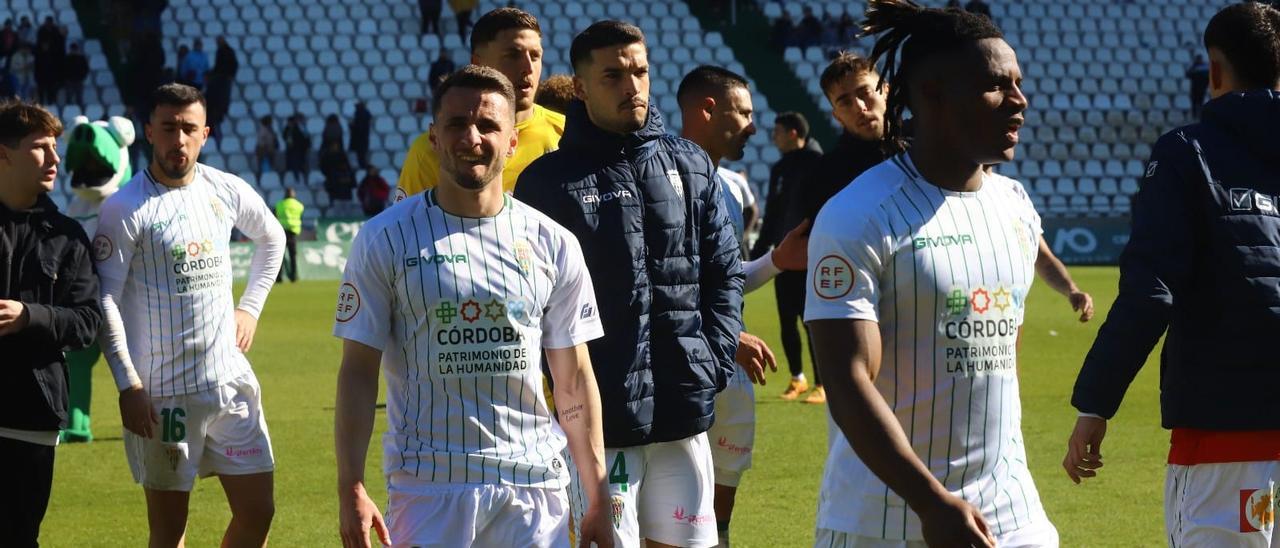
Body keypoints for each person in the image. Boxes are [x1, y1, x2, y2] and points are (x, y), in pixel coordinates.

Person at [806, 1, 1058, 547]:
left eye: (1018, 83)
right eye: (995, 86)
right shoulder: (858, 215)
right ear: (933, 96)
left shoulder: (1015, 205)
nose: (1019, 102)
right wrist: (929, 501)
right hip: (888, 519)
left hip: (1013, 514)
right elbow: (848, 378)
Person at [333, 65, 613, 548]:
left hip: (533, 488)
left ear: (511, 142)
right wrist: (351, 487)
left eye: (488, 126)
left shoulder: (553, 243)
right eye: (457, 124)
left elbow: (573, 379)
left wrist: (597, 494)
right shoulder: (384, 238)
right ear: (434, 138)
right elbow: (358, 372)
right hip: (428, 487)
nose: (472, 137)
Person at [514, 21, 745, 548]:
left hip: (685, 413)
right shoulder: (547, 182)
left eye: (639, 72)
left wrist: (712, 359)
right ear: (579, 87)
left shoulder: (690, 165)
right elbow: (529, 301)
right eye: (613, 75)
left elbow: (724, 271)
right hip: (601, 427)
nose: (631, 86)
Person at [1064, 3, 1280, 546]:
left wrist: (1095, 402)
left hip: (1227, 442)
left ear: (1213, 69)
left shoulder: (1188, 153)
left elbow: (1151, 294)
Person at [94, 83, 285, 546]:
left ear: (206, 134)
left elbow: (272, 238)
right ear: (148, 133)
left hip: (230, 385)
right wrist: (129, 385)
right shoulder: (124, 209)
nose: (178, 139)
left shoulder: (224, 187)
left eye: (188, 129)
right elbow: (106, 301)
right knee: (169, 531)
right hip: (165, 399)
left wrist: (250, 308)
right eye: (168, 128)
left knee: (259, 511)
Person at [679, 64, 822, 548]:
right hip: (682, 368)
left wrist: (776, 262)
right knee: (675, 510)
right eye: (743, 112)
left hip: (731, 369)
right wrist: (723, 335)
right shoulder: (660, 180)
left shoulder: (730, 186)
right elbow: (655, 285)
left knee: (722, 511)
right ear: (707, 110)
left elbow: (721, 282)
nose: (753, 125)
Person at [0, 99, 102, 548]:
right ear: (4, 154)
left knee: (20, 537)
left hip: (30, 413)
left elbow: (87, 321)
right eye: (41, 147)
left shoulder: (67, 237)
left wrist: (29, 317)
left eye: (56, 147)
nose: (55, 158)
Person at [400, 8, 563, 199]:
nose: (528, 68)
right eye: (513, 55)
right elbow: (406, 225)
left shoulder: (565, 133)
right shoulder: (431, 151)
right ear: (477, 63)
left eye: (535, 56)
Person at [750, 111, 825, 403]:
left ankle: (822, 383)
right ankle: (797, 378)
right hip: (783, 256)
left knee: (811, 321)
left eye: (777, 132)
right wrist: (757, 256)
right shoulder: (779, 168)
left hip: (809, 256)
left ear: (793, 133)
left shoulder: (818, 164)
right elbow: (772, 215)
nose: (773, 138)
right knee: (786, 321)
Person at [274, 187, 303, 283]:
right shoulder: (299, 205)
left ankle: (279, 277)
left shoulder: (279, 204)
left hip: (281, 232)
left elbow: (275, 216)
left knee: (280, 256)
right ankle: (293, 276)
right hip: (293, 232)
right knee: (293, 256)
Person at [283, 114, 310, 186]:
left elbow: (305, 139)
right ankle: (295, 180)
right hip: (292, 152)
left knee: (301, 166)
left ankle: (301, 180)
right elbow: (286, 138)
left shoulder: (300, 128)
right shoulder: (289, 129)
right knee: (293, 167)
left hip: (300, 151)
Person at [63, 42, 89, 107]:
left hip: (79, 81)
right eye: (73, 49)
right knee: (68, 99)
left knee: (79, 99)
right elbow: (63, 70)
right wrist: (66, 78)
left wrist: (82, 77)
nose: (74, 51)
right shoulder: (67, 59)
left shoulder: (81, 59)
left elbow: (85, 69)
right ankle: (69, 112)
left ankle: (80, 113)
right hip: (69, 81)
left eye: (75, 49)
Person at [1186, 53, 1210, 118]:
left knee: (1199, 102)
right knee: (1195, 102)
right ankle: (1195, 115)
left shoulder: (1203, 68)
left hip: (1201, 88)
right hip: (1195, 88)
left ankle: (1199, 115)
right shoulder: (1194, 67)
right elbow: (1188, 75)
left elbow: (1208, 78)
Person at [254, 115, 277, 180]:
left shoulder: (270, 129)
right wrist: (266, 147)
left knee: (269, 165)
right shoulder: (263, 130)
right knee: (263, 165)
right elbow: (262, 141)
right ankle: (262, 179)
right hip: (263, 150)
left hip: (269, 150)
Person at [349, 101, 371, 169]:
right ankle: (363, 166)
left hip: (359, 139)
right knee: (361, 154)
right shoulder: (364, 115)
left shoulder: (360, 115)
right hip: (362, 139)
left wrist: (351, 126)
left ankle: (363, 167)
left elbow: (359, 128)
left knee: (361, 155)